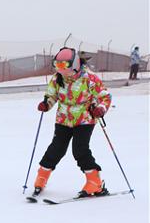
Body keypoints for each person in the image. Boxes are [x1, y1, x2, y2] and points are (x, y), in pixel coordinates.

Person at [32, 47, 112, 198]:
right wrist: (46, 104)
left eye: (64, 65)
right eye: (57, 65)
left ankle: (94, 182)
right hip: (63, 119)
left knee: (80, 150)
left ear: (74, 64)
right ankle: (41, 177)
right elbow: (51, 95)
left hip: (85, 119)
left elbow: (105, 96)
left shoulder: (89, 78)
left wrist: (100, 108)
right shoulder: (57, 78)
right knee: (56, 149)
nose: (60, 69)